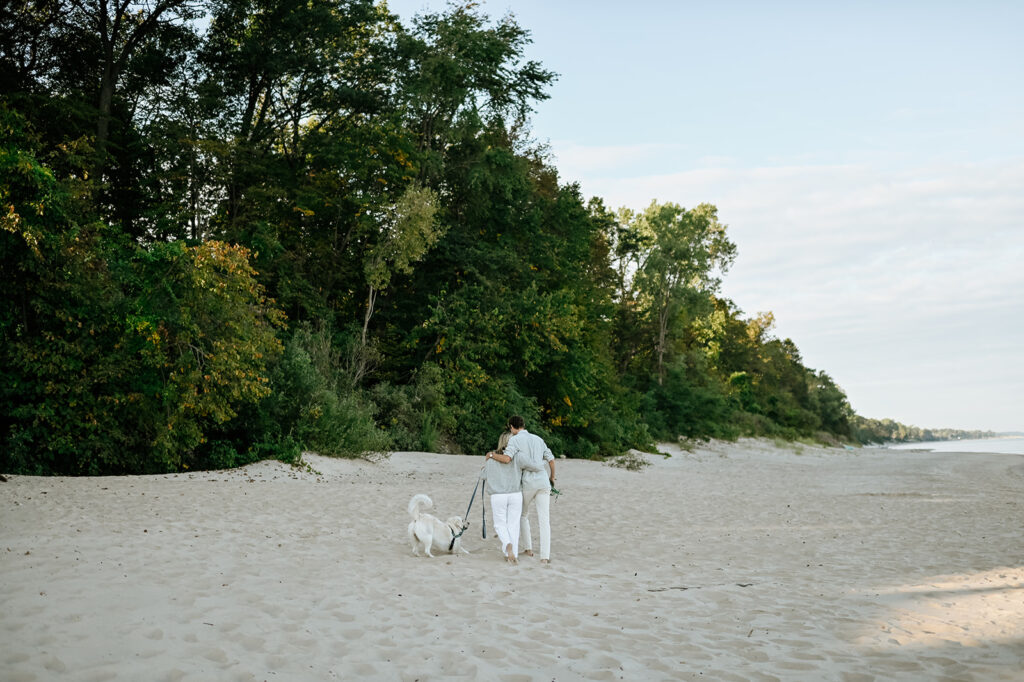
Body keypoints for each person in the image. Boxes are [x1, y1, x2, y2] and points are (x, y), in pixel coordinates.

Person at [504, 415, 556, 564]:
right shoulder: (538, 439)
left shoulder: (514, 440)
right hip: (543, 481)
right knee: (544, 520)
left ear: (512, 427)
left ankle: (528, 548)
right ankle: (544, 557)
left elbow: (508, 458)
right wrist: (552, 478)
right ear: (524, 425)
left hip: (528, 483)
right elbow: (551, 460)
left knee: (523, 514)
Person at [484, 429, 522, 564]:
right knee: (514, 524)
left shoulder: (491, 458)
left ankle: (507, 545)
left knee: (500, 524)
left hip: (498, 495)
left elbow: (484, 476)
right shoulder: (517, 457)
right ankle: (513, 554)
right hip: (516, 493)